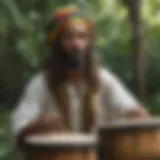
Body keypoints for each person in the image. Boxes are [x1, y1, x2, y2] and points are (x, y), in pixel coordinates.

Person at [11, 5, 148, 149]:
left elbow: (132, 111)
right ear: (57, 44)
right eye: (69, 37)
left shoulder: (103, 79)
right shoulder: (41, 83)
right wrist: (37, 127)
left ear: (89, 43)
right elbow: (19, 130)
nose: (77, 45)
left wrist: (135, 114)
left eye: (82, 37)